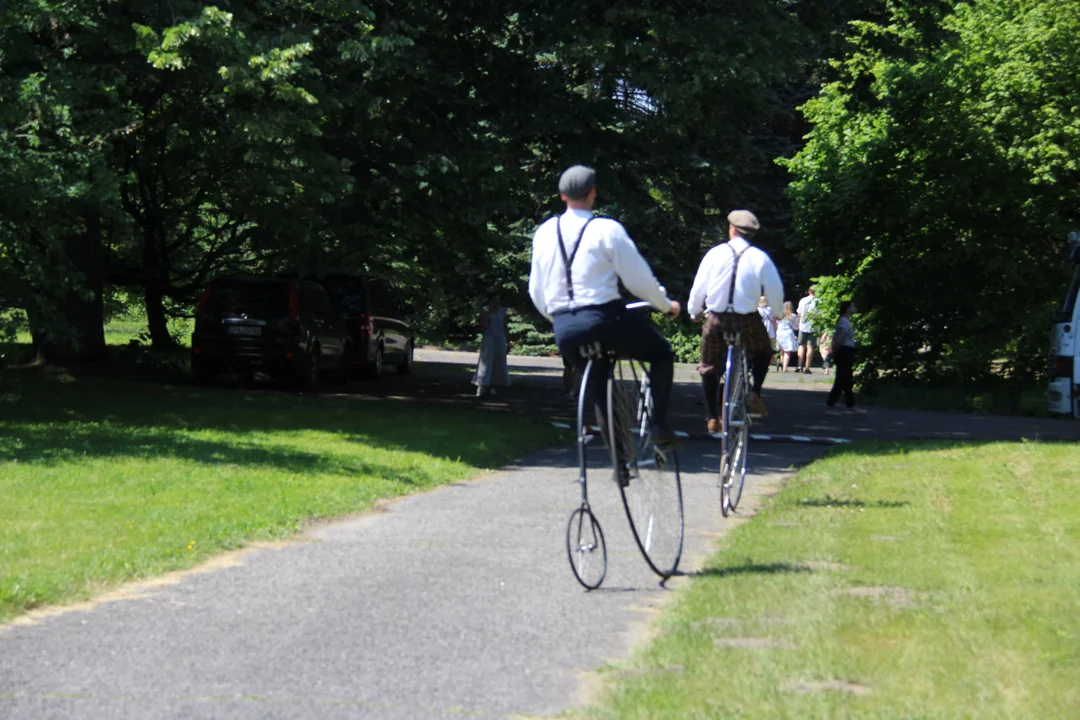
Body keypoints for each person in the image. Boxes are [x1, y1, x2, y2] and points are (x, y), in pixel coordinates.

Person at [528, 165, 681, 444]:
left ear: (562, 196)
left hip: (565, 327)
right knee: (661, 355)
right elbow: (639, 281)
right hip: (605, 319)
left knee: (599, 384)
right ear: (593, 193)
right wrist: (665, 305)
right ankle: (658, 425)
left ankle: (620, 462)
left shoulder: (545, 232)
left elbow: (536, 290)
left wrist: (560, 320)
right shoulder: (606, 229)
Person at [688, 209, 784, 432]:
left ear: (731, 229)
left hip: (716, 318)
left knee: (708, 366)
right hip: (746, 320)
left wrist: (694, 311)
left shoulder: (714, 254)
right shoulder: (760, 258)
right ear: (751, 235)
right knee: (764, 352)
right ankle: (755, 391)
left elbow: (698, 287)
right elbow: (775, 292)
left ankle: (711, 416)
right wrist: (778, 312)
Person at [825, 300, 866, 415]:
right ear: (847, 308)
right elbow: (840, 338)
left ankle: (851, 405)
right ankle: (830, 406)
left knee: (848, 380)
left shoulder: (844, 321)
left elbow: (835, 337)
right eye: (852, 306)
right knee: (841, 380)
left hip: (846, 351)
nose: (855, 307)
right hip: (844, 351)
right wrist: (834, 351)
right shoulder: (844, 322)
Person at [474, 293, 510, 396]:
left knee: (499, 361)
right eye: (494, 300)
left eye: (498, 300)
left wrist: (508, 342)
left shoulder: (503, 311)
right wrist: (487, 317)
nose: (496, 302)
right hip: (489, 338)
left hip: (500, 338)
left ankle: (495, 385)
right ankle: (481, 385)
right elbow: (482, 326)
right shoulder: (485, 310)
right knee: (486, 361)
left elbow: (505, 327)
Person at [796, 285, 819, 374]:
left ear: (809, 291)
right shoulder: (818, 301)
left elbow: (799, 314)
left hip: (803, 325)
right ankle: (807, 367)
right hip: (813, 326)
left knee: (801, 345)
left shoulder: (803, 300)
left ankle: (799, 366)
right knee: (810, 347)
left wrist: (799, 324)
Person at [776, 301, 798, 372]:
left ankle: (782, 365)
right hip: (788, 334)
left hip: (779, 333)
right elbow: (796, 327)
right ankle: (785, 368)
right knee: (787, 352)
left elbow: (776, 324)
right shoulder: (793, 316)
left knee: (782, 350)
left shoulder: (779, 315)